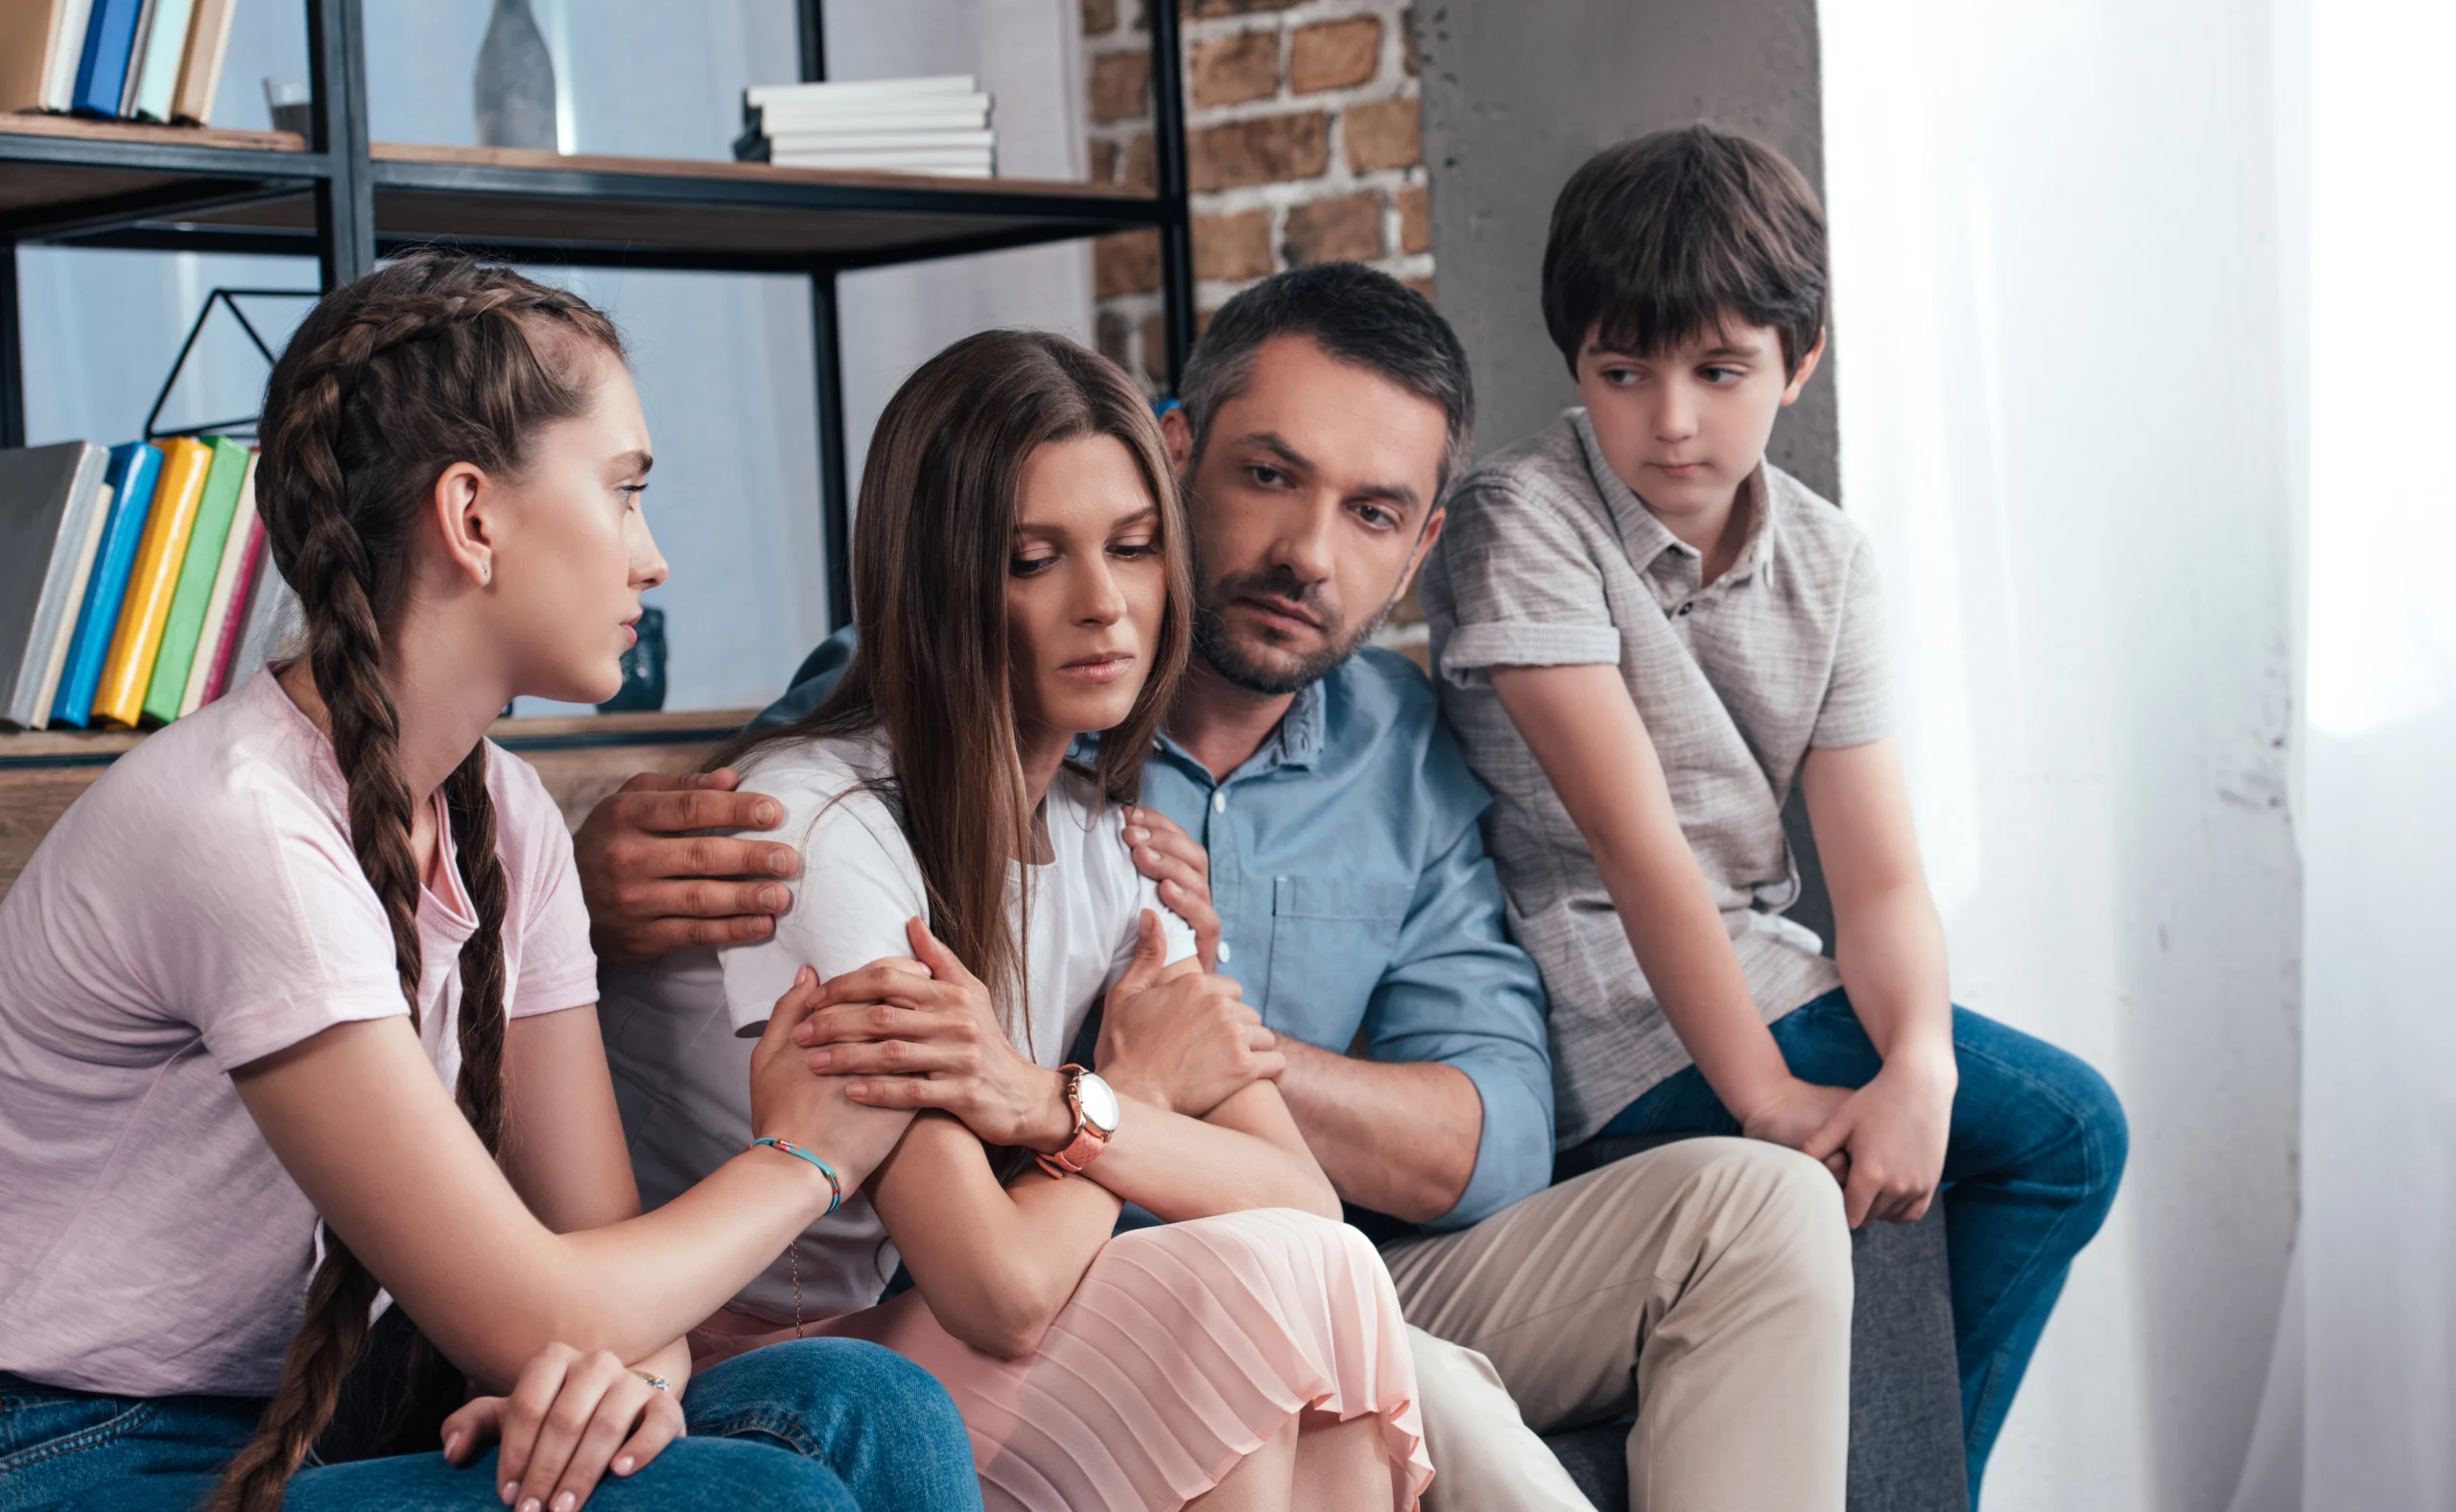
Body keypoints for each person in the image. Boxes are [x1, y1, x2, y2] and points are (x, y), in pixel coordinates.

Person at [582, 265, 1855, 1511]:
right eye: (1268, 476)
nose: (1303, 552)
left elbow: (1458, 1146)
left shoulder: (1181, 812)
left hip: (1209, 1249)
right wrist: (1127, 1092)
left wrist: (1132, 1078)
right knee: (1285, 1297)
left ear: (1420, 549)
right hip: (917, 1310)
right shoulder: (874, 773)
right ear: (1183, 451)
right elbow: (781, 803)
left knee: (1376, 1263)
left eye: (1371, 514)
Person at [0, 256, 979, 1512]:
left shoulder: (505, 815)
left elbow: (597, 1277)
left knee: (875, 1408)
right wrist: (806, 1155)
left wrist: (627, 1379)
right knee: (754, 1501)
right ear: (473, 517)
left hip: (340, 1408)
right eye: (624, 494)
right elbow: (545, 1304)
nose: (655, 557)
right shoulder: (242, 830)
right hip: (76, 1449)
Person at [599, 328, 1432, 1512]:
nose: (1105, 605)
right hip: (741, 1373)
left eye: (1135, 548)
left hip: (912, 1333)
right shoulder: (817, 825)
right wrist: (1129, 1095)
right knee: (1247, 1285)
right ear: (941, 581)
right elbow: (996, 1286)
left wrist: (1061, 1102)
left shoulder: (1116, 841)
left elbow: (1307, 1198)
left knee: (1307, 1266)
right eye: (1034, 559)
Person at [1415, 125, 2131, 1502]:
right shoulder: (1523, 516)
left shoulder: (1827, 556)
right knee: (2051, 1133)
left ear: (1799, 362)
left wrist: (1917, 1061)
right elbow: (1635, 851)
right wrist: (1768, 1098)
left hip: (1764, 968)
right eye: (1622, 373)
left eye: (1718, 371)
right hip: (1605, 1000)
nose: (1669, 419)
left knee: (2040, 1135)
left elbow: (1876, 879)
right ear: (1577, 365)